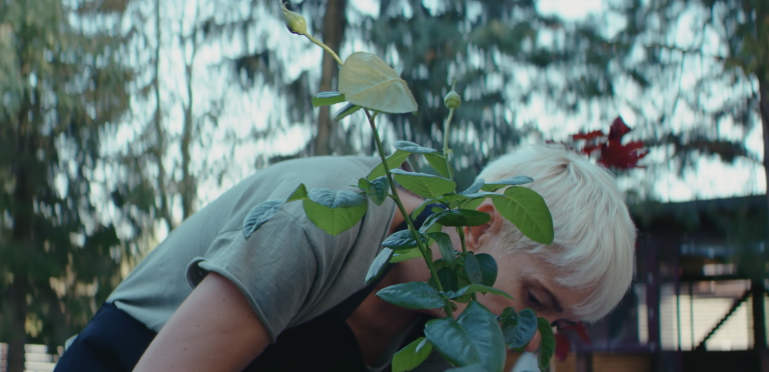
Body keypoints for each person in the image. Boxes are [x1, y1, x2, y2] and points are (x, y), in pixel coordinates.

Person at [54, 144, 636, 372]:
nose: (534, 339)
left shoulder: (442, 333)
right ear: (483, 225)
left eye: (557, 324)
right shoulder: (325, 218)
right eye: (536, 300)